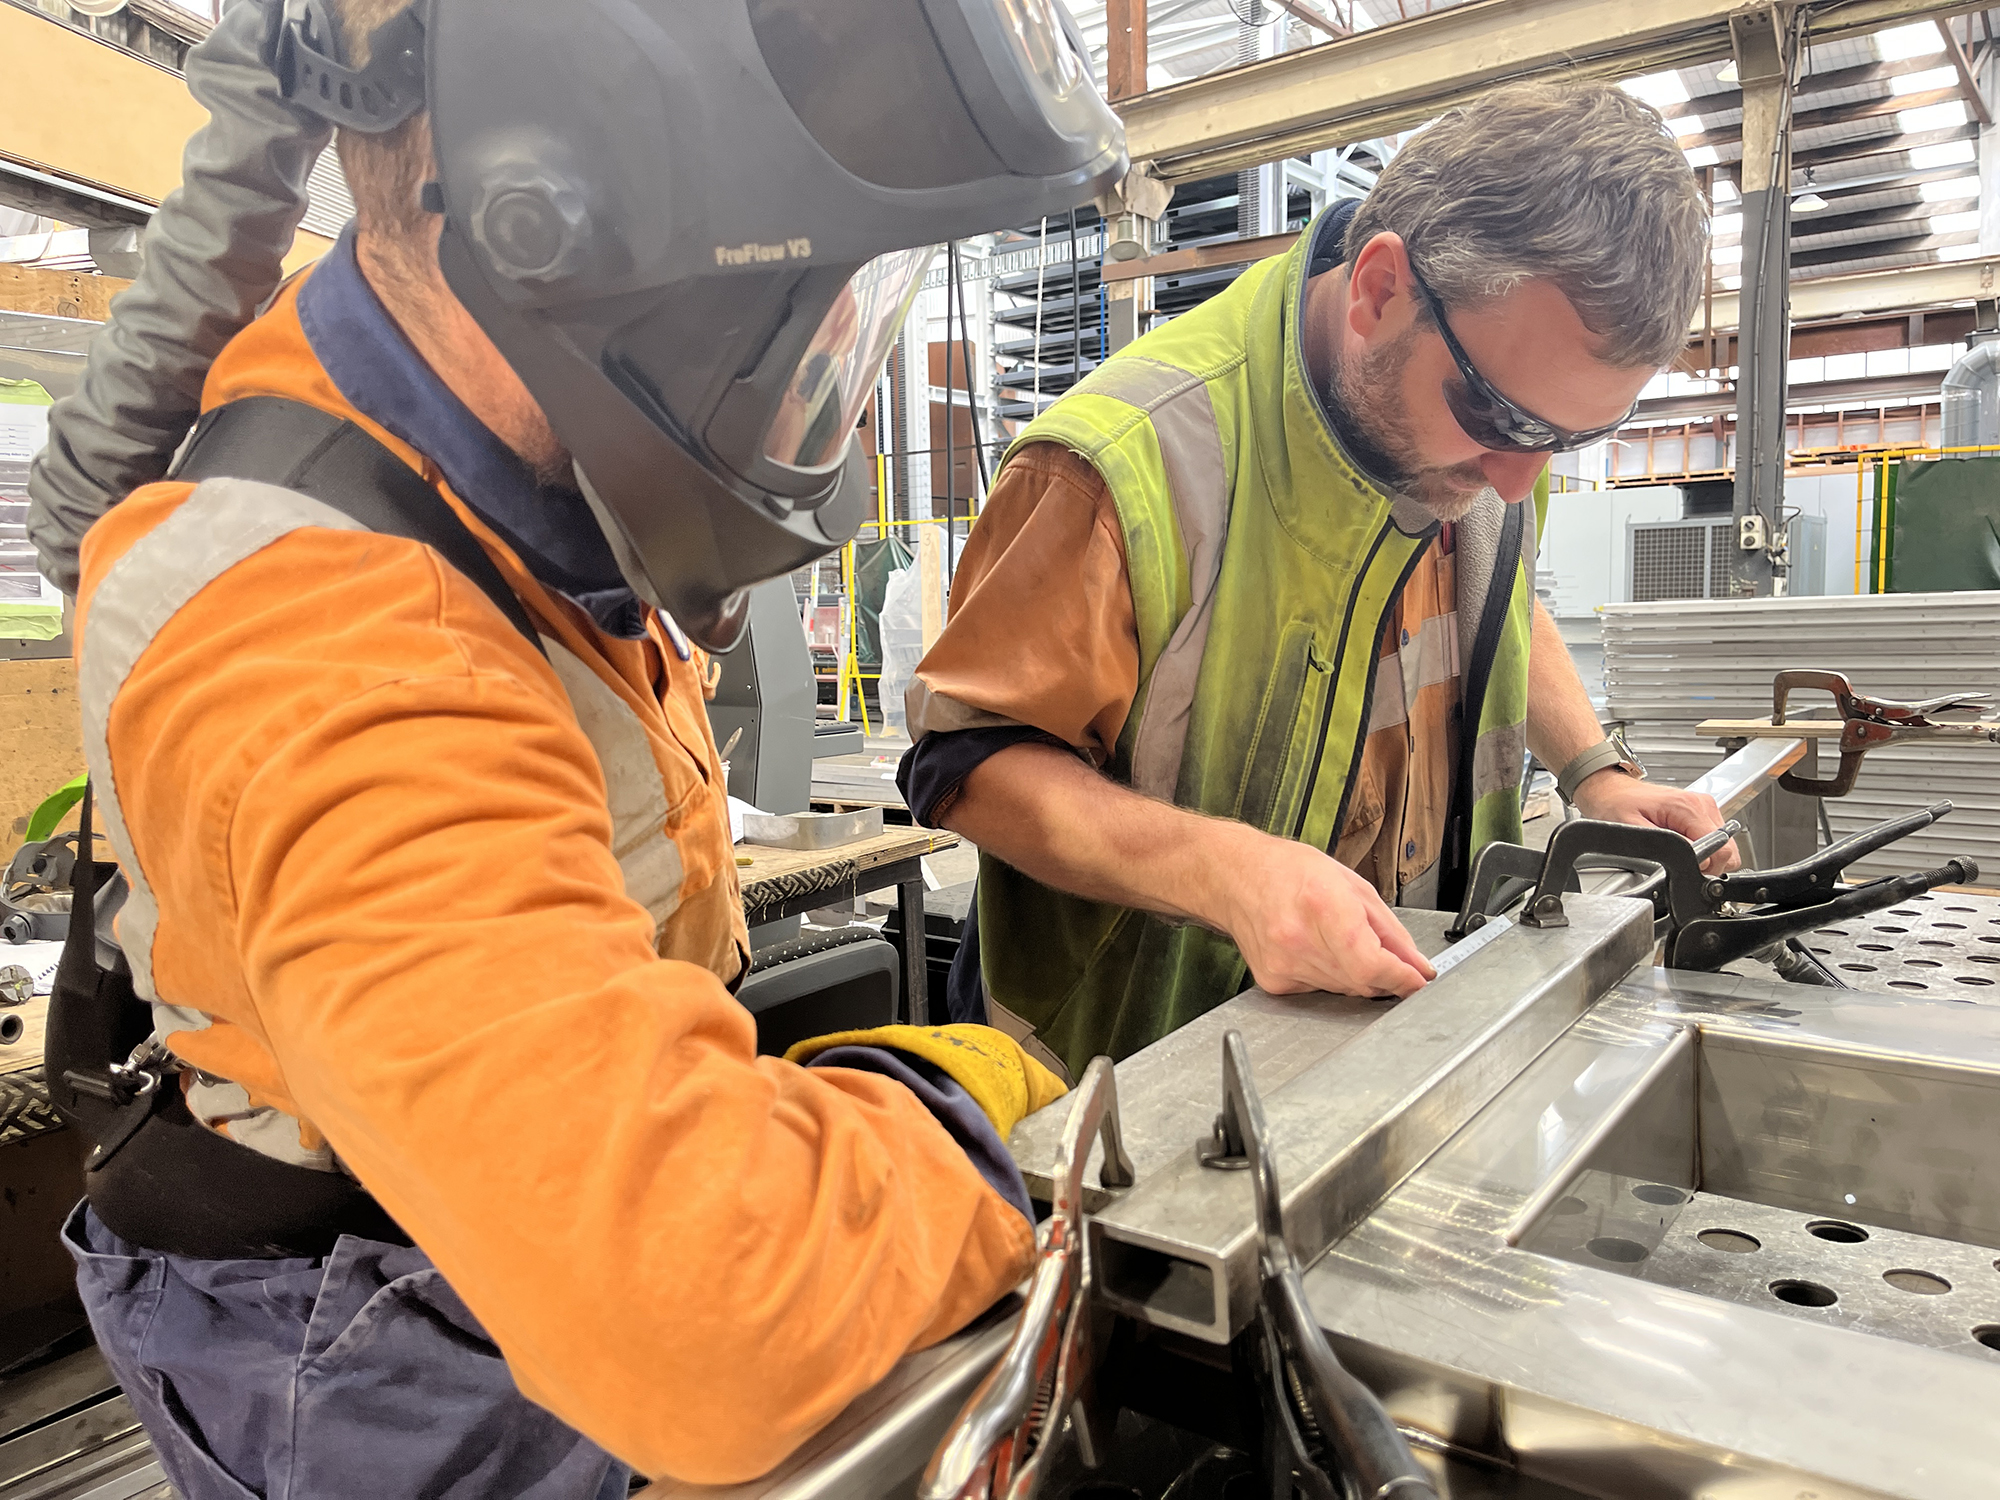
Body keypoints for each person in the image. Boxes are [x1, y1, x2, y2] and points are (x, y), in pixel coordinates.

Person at [33, 0, 1121, 1493]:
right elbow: (707, 1309)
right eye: (807, 294)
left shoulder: (522, 476)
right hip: (361, 1311)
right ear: (578, 215)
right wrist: (941, 1108)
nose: (817, 365)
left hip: (494, 1212)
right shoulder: (317, 620)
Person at [897, 82, 1739, 1076]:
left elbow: (1495, 601)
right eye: (1504, 422)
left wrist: (1592, 772)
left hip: (1394, 1033)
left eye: (1570, 437)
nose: (1519, 477)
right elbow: (964, 771)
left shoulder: (1490, 436)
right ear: (1380, 289)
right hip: (1130, 1077)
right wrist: (1224, 873)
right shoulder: (1124, 461)